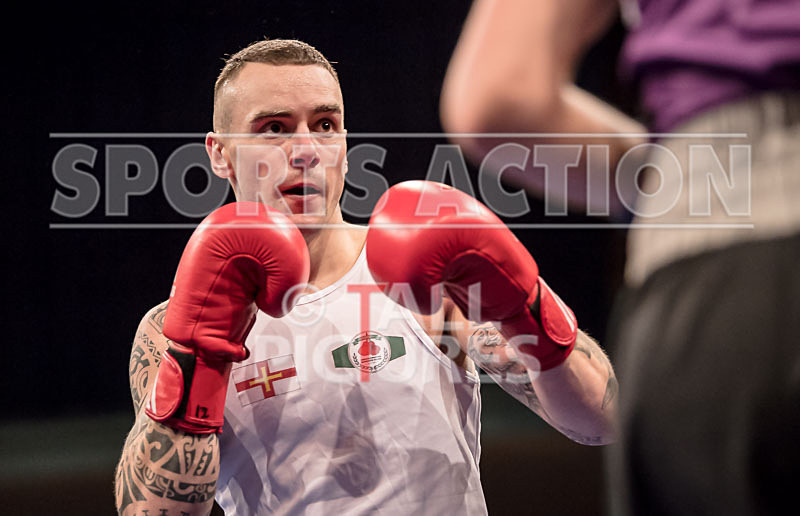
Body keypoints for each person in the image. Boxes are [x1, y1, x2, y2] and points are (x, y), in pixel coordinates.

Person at [114, 38, 619, 516]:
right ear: (220, 153)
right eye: (274, 127)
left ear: (346, 143)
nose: (306, 148)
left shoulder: (432, 285)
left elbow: (600, 422)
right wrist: (198, 357)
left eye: (326, 124)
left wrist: (524, 306)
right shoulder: (166, 330)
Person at [441, 0, 800, 514]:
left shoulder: (427, 295)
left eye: (324, 124)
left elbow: (499, 96)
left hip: (722, 249)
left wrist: (684, 182)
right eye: (278, 126)